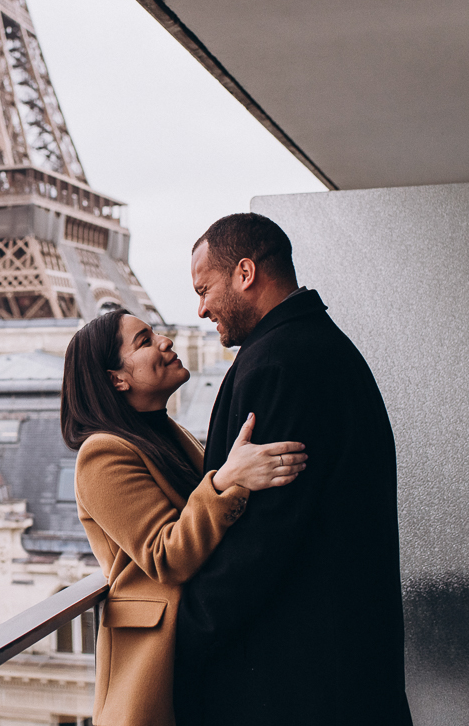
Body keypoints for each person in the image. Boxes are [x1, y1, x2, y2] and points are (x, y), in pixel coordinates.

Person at [173, 213, 412, 726]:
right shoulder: (320, 346)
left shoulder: (278, 363)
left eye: (204, 289)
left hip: (298, 681)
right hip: (341, 668)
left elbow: (261, 536)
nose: (200, 309)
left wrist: (183, 631)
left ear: (245, 272)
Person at [63, 309, 307, 726]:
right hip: (163, 657)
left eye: (155, 332)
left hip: (199, 638)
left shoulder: (164, 432)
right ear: (115, 379)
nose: (165, 341)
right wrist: (227, 479)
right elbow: (165, 556)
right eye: (144, 340)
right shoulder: (101, 454)